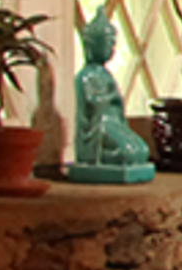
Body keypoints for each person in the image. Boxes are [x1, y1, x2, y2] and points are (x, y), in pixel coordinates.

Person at [64, 12, 155, 185]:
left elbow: (116, 105)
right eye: (106, 45)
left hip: (113, 122)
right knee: (127, 152)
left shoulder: (106, 75)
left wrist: (114, 100)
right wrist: (111, 97)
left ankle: (117, 158)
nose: (110, 51)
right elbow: (93, 104)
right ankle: (104, 158)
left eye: (112, 46)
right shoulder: (86, 76)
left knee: (142, 150)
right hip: (100, 126)